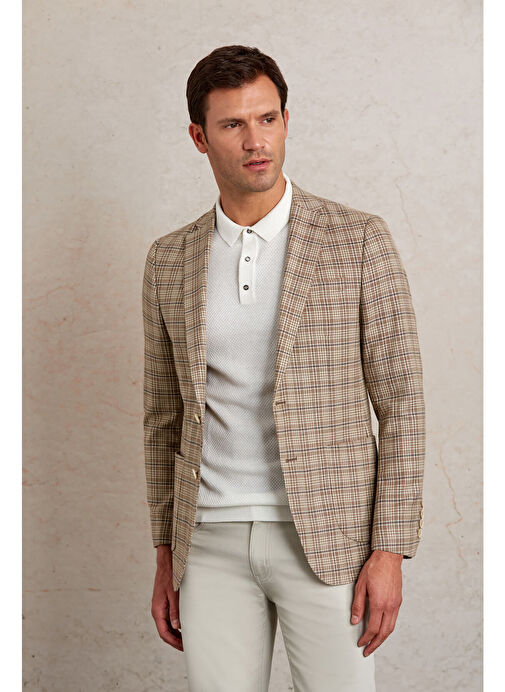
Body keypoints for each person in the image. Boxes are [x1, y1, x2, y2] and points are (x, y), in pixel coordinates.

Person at [142, 44, 425, 692]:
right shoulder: (168, 260)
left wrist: (389, 548)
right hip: (207, 540)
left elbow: (402, 402)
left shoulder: (357, 240)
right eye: (233, 124)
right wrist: (165, 553)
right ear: (199, 137)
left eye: (267, 119)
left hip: (328, 537)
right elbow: (163, 417)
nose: (255, 141)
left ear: (286, 121)